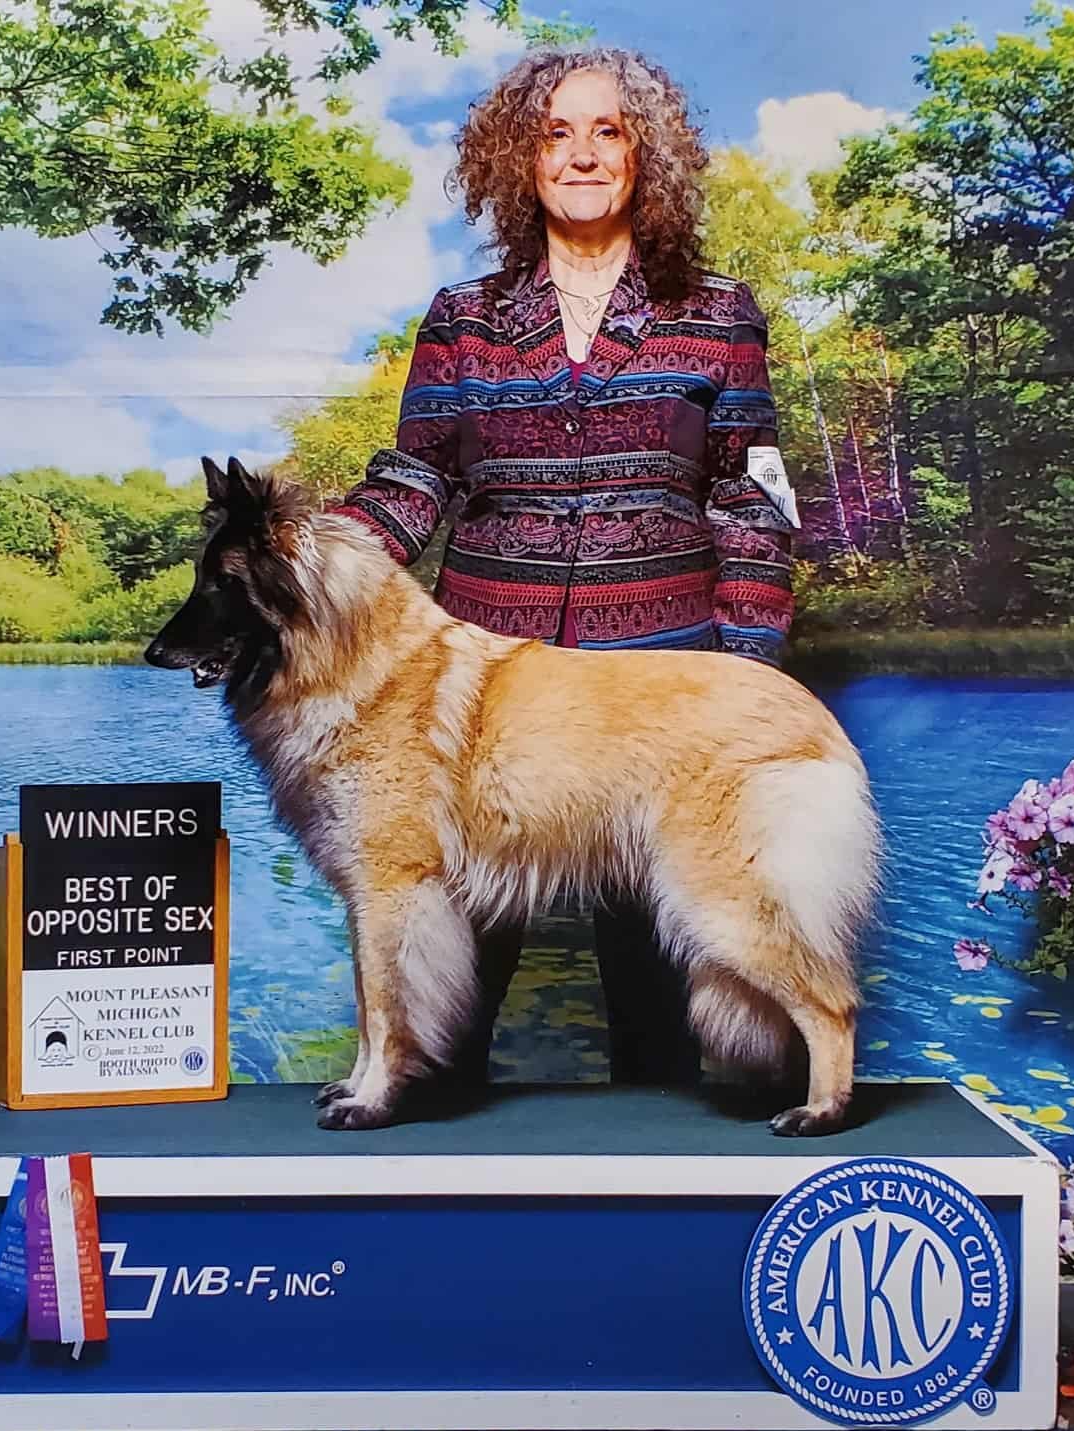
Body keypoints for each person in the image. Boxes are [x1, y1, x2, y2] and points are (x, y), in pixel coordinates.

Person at [328, 46, 797, 1090]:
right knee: (440, 1035)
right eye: (554, 134)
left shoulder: (719, 313)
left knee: (665, 1037)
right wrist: (305, 567)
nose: (581, 155)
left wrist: (747, 675)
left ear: (644, 155)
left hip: (657, 696)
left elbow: (748, 502)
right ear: (520, 161)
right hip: (489, 701)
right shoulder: (462, 318)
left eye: (607, 131)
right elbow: (414, 478)